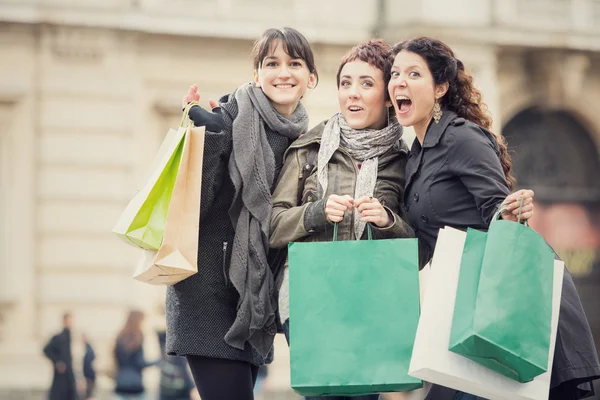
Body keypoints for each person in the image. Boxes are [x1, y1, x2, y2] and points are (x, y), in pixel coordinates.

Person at [388, 36, 600, 399]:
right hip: (464, 306)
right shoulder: (415, 157)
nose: (399, 83)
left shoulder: (461, 138)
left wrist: (512, 210)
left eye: (413, 74)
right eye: (394, 74)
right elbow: (424, 249)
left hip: (501, 301)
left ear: (440, 88)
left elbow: (498, 212)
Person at [166, 27, 318, 400]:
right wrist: (208, 137)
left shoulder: (304, 140)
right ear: (256, 74)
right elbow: (188, 209)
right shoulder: (227, 119)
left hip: (252, 305)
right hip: (207, 298)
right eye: (272, 63)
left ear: (310, 78)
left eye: (294, 63)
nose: (283, 72)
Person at [270, 39, 414, 400]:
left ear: (387, 96)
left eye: (366, 84)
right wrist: (317, 212)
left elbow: (418, 242)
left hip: (371, 302)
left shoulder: (405, 160)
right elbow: (272, 225)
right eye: (345, 83)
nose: (353, 94)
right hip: (309, 298)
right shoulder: (309, 148)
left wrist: (387, 221)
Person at [113, 310, 158, 400]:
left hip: (120, 383)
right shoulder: (138, 337)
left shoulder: (120, 336)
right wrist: (157, 362)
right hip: (135, 385)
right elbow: (140, 363)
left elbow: (116, 359)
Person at [43, 312, 79, 400]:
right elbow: (46, 350)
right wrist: (57, 361)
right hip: (62, 375)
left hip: (69, 373)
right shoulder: (59, 337)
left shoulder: (70, 336)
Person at [82, 334, 96, 400]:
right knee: (89, 393)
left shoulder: (89, 349)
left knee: (89, 393)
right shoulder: (87, 348)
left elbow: (91, 358)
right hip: (88, 374)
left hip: (89, 375)